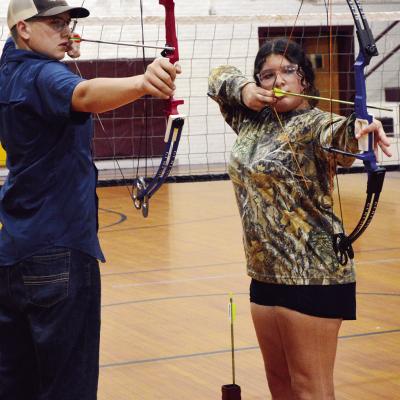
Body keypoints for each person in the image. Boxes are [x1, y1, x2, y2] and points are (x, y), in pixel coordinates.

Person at [0, 1, 181, 399]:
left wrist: (55, 49)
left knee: (17, 386)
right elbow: (82, 94)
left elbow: (51, 82)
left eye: (68, 23)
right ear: (24, 29)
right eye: (54, 23)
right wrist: (142, 82)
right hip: (59, 253)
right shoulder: (45, 75)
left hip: (14, 254)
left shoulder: (10, 70)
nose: (66, 31)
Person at [208, 38, 391, 399]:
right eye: (267, 74)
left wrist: (360, 130)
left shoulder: (317, 124)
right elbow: (217, 79)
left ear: (304, 79)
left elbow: (342, 136)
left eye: (288, 71)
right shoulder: (250, 121)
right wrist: (245, 89)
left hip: (314, 273)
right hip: (264, 271)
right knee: (280, 385)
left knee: (311, 389)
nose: (279, 80)